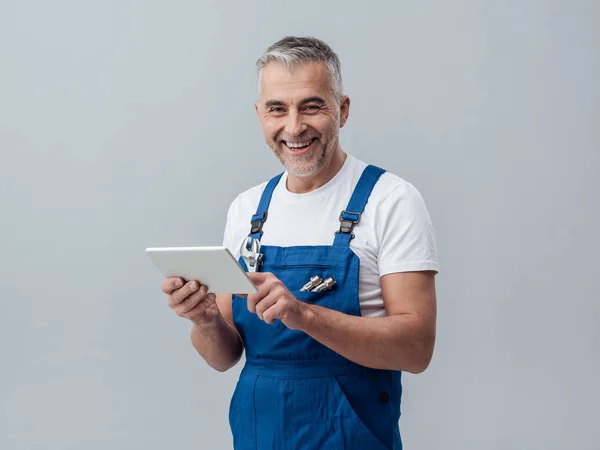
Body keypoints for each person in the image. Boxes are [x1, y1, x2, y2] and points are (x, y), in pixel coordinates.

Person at [161, 36, 439, 449]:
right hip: (258, 435)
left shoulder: (391, 201)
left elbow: (416, 349)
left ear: (342, 111)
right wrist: (204, 321)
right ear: (260, 116)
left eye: (311, 106)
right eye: (278, 109)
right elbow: (224, 357)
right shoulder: (247, 209)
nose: (294, 127)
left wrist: (303, 315)